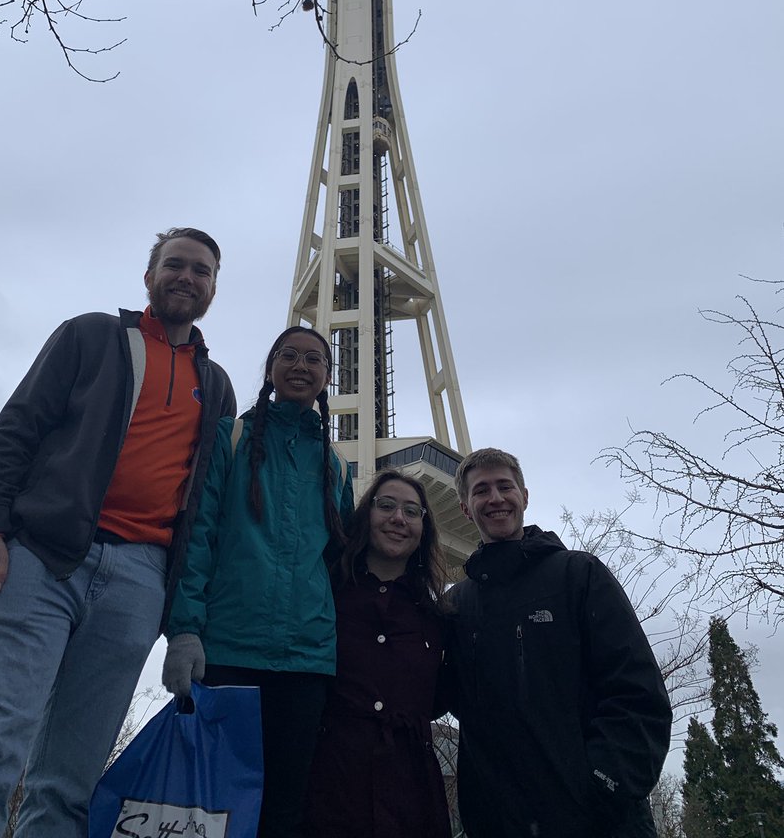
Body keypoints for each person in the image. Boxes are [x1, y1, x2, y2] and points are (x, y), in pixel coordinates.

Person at [0, 227, 235, 838]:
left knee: (71, 780)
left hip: (140, 580)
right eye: (175, 266)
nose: (187, 278)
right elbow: (16, 430)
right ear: (149, 277)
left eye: (201, 271)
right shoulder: (92, 337)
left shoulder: (215, 387)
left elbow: (205, 511)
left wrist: (184, 621)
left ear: (214, 289)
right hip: (42, 560)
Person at [161, 325, 354, 838]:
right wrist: (184, 629)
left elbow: (342, 565)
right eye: (288, 355)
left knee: (285, 807)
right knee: (212, 803)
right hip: (229, 650)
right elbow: (198, 535)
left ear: (326, 379)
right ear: (270, 368)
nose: (300, 366)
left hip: (306, 660)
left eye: (314, 360)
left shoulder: (334, 465)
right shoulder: (233, 437)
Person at [445, 447, 673, 838]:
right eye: (482, 490)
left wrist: (603, 784)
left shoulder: (578, 576)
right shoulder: (458, 605)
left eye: (505, 486)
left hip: (596, 823)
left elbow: (638, 692)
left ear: (525, 496)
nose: (496, 498)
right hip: (499, 823)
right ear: (466, 507)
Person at [304, 469, 453, 838]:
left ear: (423, 529)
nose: (398, 519)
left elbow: (441, 695)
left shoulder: (436, 619)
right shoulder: (325, 596)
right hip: (328, 786)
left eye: (411, 511)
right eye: (386, 506)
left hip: (409, 794)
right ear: (365, 515)